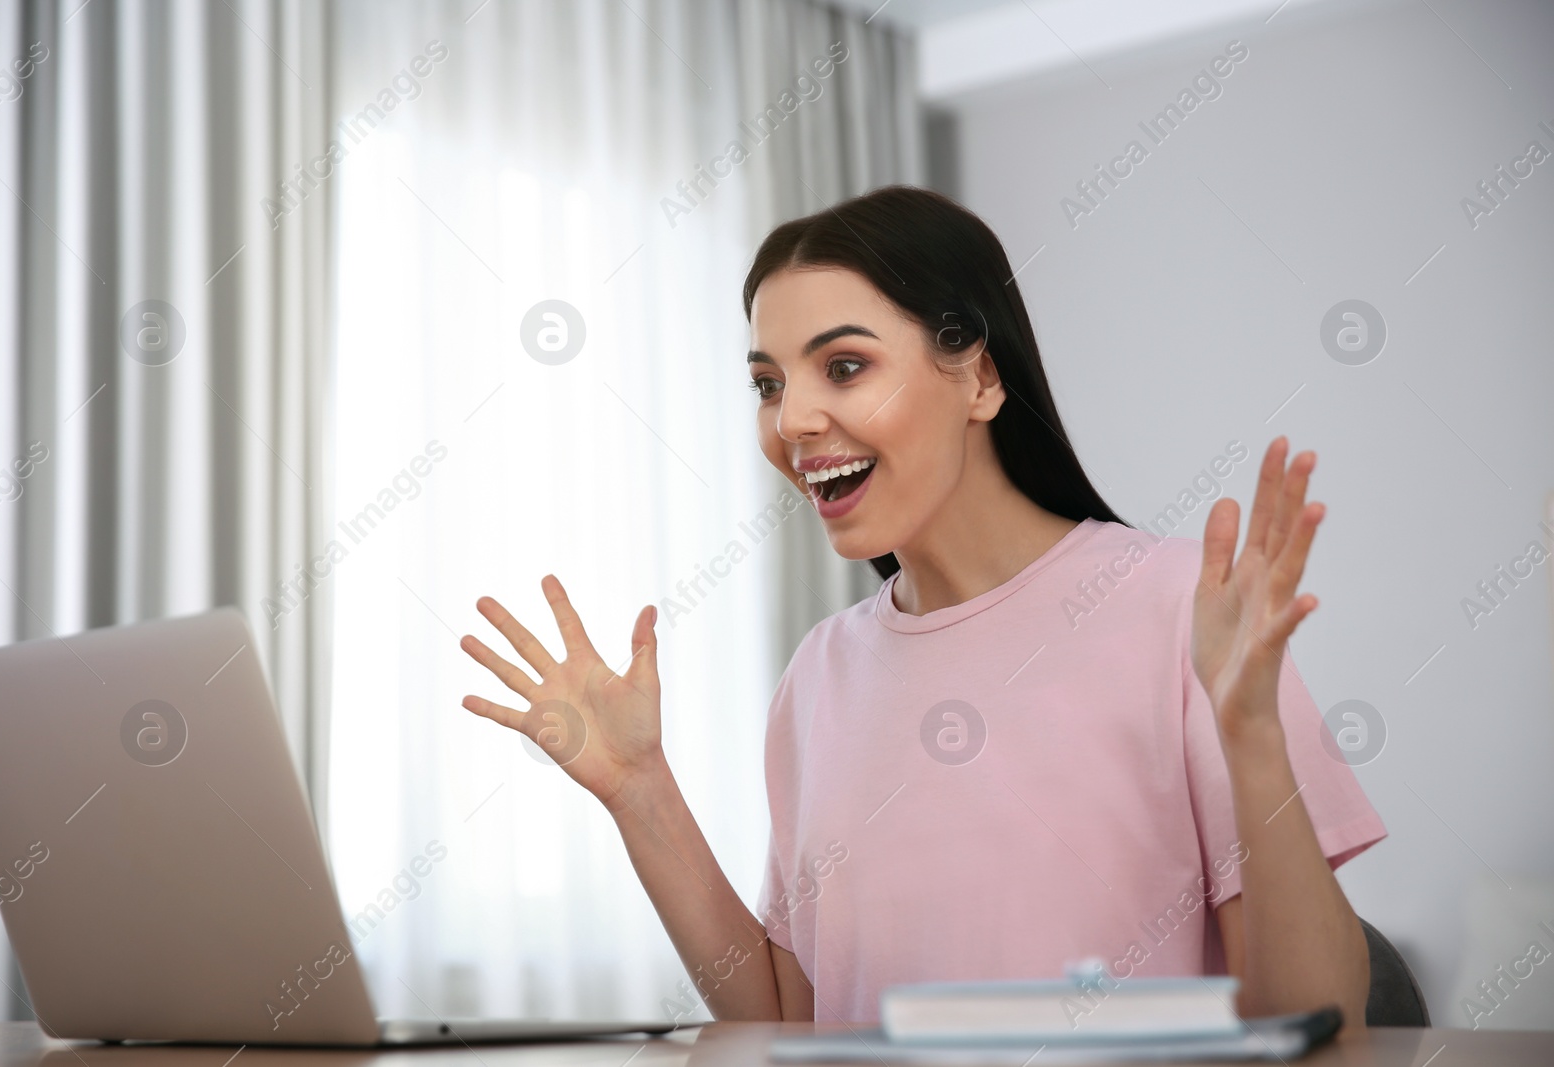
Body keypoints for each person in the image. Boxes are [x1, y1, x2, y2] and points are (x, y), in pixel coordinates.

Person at [459, 185, 1386, 1027]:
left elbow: (1314, 1016)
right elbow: (787, 1017)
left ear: (979, 378)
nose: (791, 423)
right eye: (768, 384)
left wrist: (1253, 734)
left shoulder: (1184, 607)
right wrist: (640, 790)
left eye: (845, 367)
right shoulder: (820, 675)